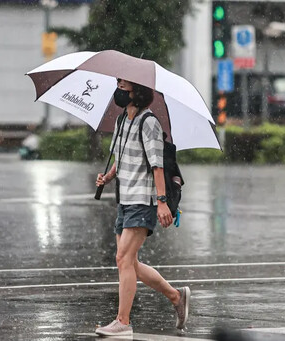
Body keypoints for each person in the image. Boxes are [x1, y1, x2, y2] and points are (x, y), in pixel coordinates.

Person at [94, 79, 191, 337]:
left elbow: (157, 165)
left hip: (143, 200)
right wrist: (108, 176)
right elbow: (121, 156)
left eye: (122, 86)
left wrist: (161, 202)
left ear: (137, 91)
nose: (118, 90)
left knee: (123, 259)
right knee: (130, 263)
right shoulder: (121, 120)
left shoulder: (149, 123)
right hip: (124, 199)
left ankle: (123, 322)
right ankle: (175, 296)